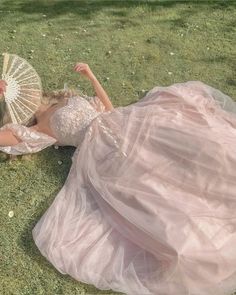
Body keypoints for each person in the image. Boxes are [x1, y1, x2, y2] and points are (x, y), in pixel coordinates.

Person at [1, 62, 236, 295]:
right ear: (13, 107)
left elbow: (108, 107)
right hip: (100, 150)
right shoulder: (39, 130)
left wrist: (91, 76)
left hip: (120, 121)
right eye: (18, 95)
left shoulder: (63, 99)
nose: (28, 94)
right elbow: (6, 138)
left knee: (198, 144)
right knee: (150, 182)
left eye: (24, 89)